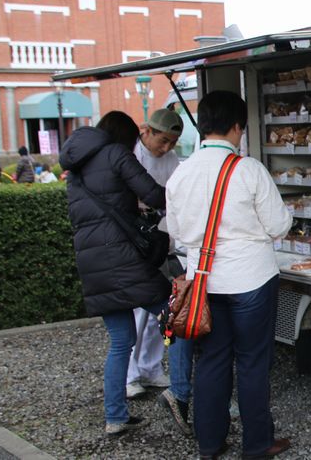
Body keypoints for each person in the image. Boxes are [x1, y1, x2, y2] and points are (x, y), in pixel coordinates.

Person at [166, 91, 293, 459]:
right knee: (252, 361)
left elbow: (175, 231)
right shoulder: (249, 169)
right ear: (237, 126)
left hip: (203, 283)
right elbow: (279, 224)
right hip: (251, 280)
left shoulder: (179, 175)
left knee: (210, 360)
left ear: (202, 126)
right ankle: (256, 444)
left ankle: (210, 443)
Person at [59, 111, 185, 437]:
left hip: (95, 270)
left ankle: (115, 416)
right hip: (127, 264)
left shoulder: (75, 171)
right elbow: (155, 194)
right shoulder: (116, 154)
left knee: (120, 342)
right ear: (125, 137)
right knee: (178, 318)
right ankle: (182, 394)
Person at [125, 108, 194, 437]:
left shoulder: (171, 161)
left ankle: (151, 368)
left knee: (162, 309)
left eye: (172, 143)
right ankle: (130, 375)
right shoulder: (131, 155)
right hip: (136, 237)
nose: (165, 148)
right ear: (146, 131)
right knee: (135, 309)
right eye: (162, 140)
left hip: (162, 237)